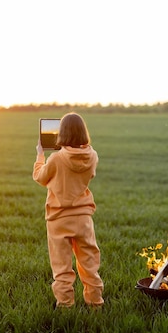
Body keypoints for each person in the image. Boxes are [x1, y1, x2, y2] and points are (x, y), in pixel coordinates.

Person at [32, 112, 104, 308]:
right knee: (90, 265)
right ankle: (96, 304)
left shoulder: (56, 158)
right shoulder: (92, 156)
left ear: (61, 133)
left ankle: (65, 307)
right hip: (83, 219)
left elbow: (40, 177)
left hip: (58, 219)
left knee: (62, 266)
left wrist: (40, 154)